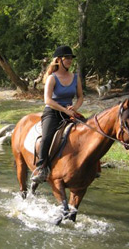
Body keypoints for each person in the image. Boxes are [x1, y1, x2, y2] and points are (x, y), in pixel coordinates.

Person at [31, 45, 84, 183]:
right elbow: (47, 99)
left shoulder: (75, 77)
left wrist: (75, 108)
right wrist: (65, 110)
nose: (70, 61)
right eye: (67, 58)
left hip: (69, 112)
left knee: (88, 132)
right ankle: (41, 167)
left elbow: (80, 97)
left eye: (71, 58)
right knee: (47, 137)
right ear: (59, 60)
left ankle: (92, 165)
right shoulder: (52, 78)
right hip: (53, 112)